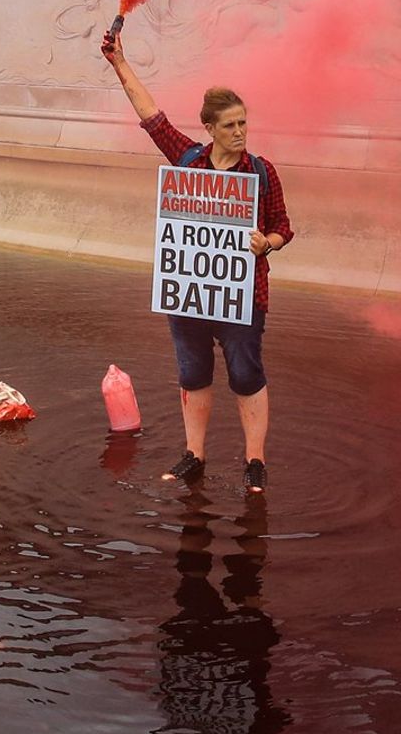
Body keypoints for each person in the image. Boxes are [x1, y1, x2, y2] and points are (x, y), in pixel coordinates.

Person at [101, 26, 293, 495]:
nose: (240, 132)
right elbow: (151, 118)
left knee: (246, 374)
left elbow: (284, 227)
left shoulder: (262, 172)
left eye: (244, 122)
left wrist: (266, 243)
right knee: (193, 373)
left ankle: (254, 462)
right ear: (209, 129)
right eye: (230, 125)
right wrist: (118, 62)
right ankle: (194, 456)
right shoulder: (188, 161)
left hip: (244, 295)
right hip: (190, 292)